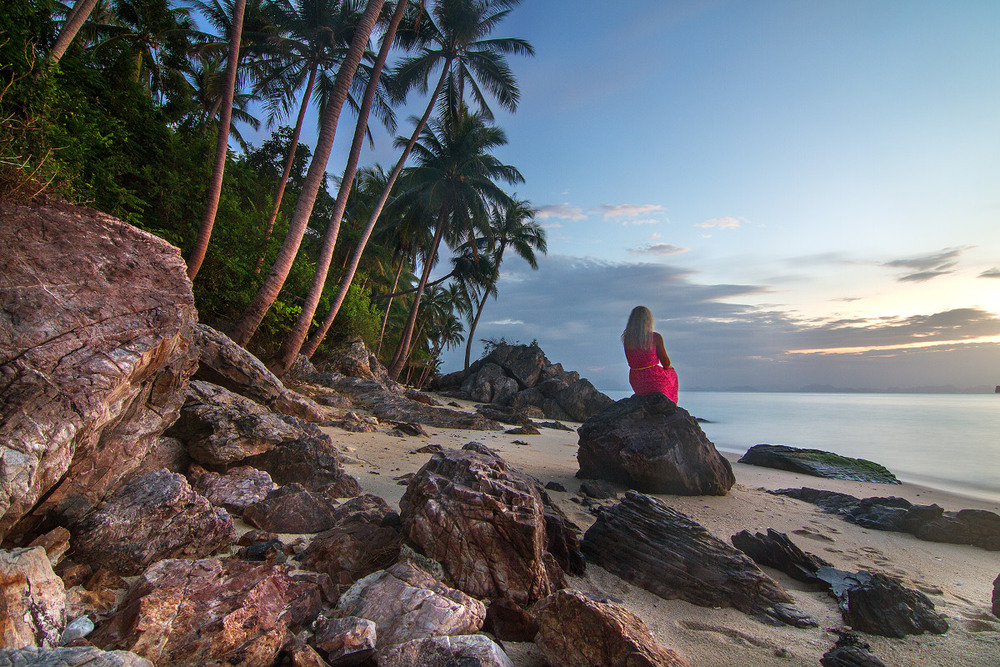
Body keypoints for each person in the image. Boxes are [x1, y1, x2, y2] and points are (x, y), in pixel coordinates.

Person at [622, 305, 679, 402]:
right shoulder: (655, 337)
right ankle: (670, 404)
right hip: (654, 380)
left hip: (636, 381)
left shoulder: (627, 339)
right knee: (672, 373)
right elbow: (666, 363)